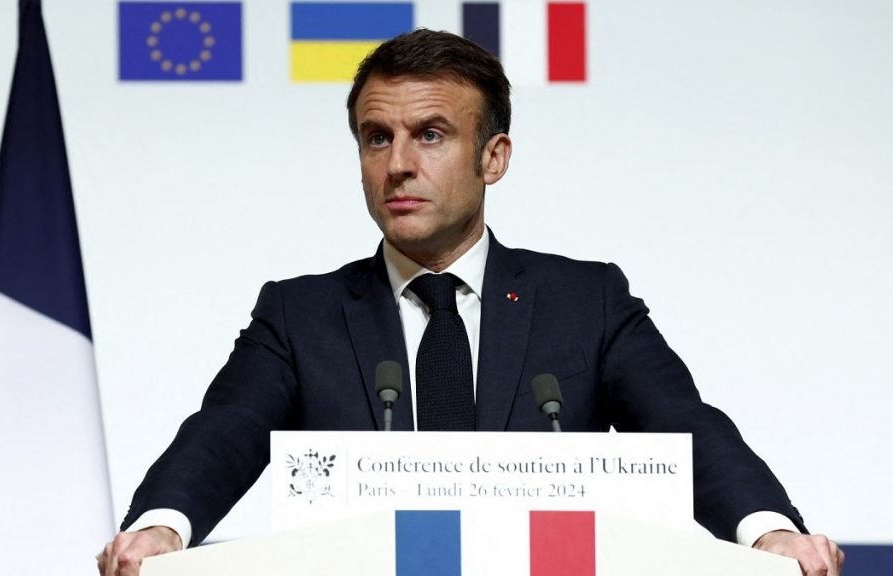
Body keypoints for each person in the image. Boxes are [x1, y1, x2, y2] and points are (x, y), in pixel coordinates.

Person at [98, 29, 844, 576]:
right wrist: (163, 527)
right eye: (375, 137)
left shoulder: (587, 303)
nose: (397, 165)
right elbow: (225, 430)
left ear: (494, 157)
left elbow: (684, 425)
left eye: (430, 135)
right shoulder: (300, 316)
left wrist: (767, 533)